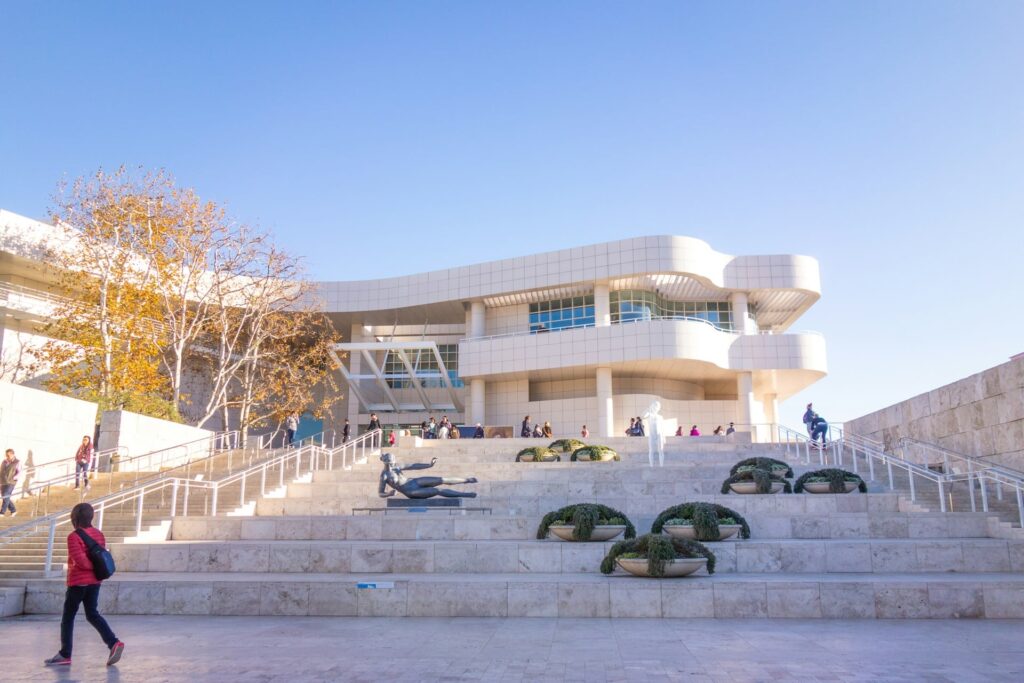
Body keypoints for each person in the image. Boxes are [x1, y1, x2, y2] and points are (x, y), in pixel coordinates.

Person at [44, 502, 124, 667]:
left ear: (74, 518)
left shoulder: (73, 537)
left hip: (78, 583)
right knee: (92, 614)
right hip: (95, 581)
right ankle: (113, 643)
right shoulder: (99, 534)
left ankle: (65, 654)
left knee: (68, 617)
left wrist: (90, 567)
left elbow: (81, 562)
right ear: (91, 517)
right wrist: (95, 569)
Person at [1, 448, 20, 517]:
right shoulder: (4, 461)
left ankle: (2, 512)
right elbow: (1, 471)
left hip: (11, 482)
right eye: (6, 455)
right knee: (5, 496)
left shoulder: (17, 462)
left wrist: (13, 478)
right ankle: (13, 510)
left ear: (12, 454)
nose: (7, 457)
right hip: (3, 481)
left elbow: (19, 472)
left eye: (8, 455)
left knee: (6, 495)